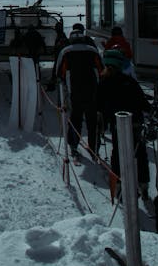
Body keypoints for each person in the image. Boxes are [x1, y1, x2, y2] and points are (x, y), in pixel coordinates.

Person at [96, 48, 151, 200]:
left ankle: (118, 184)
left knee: (118, 153)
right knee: (140, 153)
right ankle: (143, 183)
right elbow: (143, 103)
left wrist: (103, 121)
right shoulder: (129, 81)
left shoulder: (103, 82)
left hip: (117, 125)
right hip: (136, 122)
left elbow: (98, 105)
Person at [56, 23, 103, 159]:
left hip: (74, 91)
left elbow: (60, 73)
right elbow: (101, 71)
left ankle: (73, 146)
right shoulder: (92, 50)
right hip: (92, 91)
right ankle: (94, 148)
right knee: (92, 121)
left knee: (75, 119)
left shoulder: (66, 51)